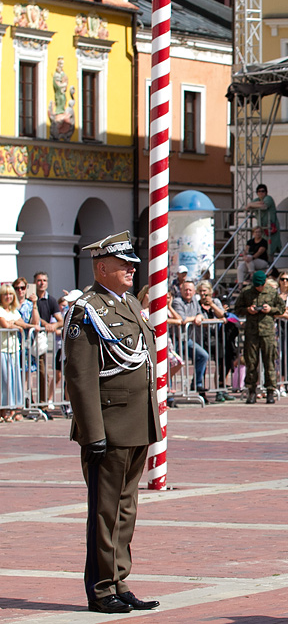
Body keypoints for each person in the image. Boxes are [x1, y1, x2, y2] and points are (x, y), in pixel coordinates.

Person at [63, 232, 162, 614]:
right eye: (124, 265)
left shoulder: (130, 305)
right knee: (105, 511)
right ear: (102, 268)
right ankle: (101, 588)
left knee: (125, 509)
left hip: (137, 422)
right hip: (109, 426)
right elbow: (80, 376)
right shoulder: (87, 309)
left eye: (133, 264)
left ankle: (119, 580)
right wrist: (93, 433)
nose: (132, 269)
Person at [234, 270, 285, 404]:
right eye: (257, 286)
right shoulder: (246, 292)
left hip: (267, 332)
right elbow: (237, 308)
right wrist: (248, 310)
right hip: (252, 332)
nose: (259, 288)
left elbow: (281, 308)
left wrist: (270, 310)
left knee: (269, 362)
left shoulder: (272, 291)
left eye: (261, 285)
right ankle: (251, 391)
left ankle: (270, 391)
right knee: (251, 362)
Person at [171, 280, 209, 394]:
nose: (188, 292)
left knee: (203, 356)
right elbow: (183, 320)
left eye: (190, 290)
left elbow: (201, 315)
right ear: (181, 290)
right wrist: (195, 318)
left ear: (194, 292)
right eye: (185, 290)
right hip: (176, 339)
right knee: (172, 364)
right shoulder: (177, 301)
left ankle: (197, 384)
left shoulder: (194, 301)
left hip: (188, 339)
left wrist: (199, 316)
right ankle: (169, 393)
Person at [0, 283, 31, 422]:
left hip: (14, 349)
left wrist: (30, 326)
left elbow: (22, 324)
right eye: (6, 294)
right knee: (4, 381)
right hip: (2, 350)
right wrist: (15, 325)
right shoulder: (1, 310)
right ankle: (4, 410)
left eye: (10, 294)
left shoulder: (13, 311)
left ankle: (13, 409)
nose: (8, 297)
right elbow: (5, 325)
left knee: (14, 380)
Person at [34, 270, 64, 404]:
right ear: (35, 282)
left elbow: (61, 320)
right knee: (25, 375)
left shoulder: (51, 300)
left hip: (40, 341)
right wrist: (45, 323)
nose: (42, 283)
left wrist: (54, 325)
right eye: (39, 280)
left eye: (44, 280)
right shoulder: (31, 298)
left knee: (43, 373)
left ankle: (42, 403)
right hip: (25, 339)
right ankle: (27, 403)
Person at [246, 183, 281, 259]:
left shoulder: (269, 198)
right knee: (262, 245)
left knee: (270, 247)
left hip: (271, 227)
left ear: (266, 192)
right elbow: (247, 206)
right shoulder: (257, 200)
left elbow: (264, 206)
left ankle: (269, 265)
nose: (261, 193)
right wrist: (253, 204)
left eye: (263, 191)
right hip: (262, 228)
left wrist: (252, 205)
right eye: (259, 191)